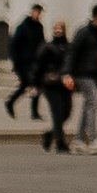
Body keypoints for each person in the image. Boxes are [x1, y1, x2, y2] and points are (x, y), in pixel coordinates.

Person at [69, 4, 97, 154]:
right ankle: (93, 140)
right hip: (83, 74)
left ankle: (78, 140)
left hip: (96, 74)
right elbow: (72, 53)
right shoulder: (84, 32)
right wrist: (68, 73)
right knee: (93, 103)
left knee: (87, 107)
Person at [35, 22, 74, 156]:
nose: (58, 31)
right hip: (50, 85)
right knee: (57, 114)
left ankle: (49, 134)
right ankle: (60, 144)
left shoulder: (69, 47)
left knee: (67, 112)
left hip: (65, 85)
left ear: (64, 30)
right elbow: (38, 66)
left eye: (60, 28)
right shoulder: (47, 47)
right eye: (55, 28)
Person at [3, 3, 45, 122]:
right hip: (24, 63)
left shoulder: (39, 27)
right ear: (32, 12)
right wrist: (16, 63)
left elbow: (42, 44)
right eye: (36, 12)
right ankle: (12, 103)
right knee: (30, 85)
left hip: (36, 63)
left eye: (39, 12)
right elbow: (14, 46)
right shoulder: (22, 27)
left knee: (33, 85)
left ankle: (30, 110)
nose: (38, 14)